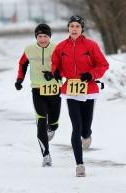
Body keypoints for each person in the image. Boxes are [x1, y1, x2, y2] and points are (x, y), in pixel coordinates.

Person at [51, 15, 109, 177]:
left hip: (88, 89)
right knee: (76, 127)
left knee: (85, 128)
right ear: (68, 29)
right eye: (71, 26)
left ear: (82, 28)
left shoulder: (91, 45)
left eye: (77, 26)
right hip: (70, 89)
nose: (74, 29)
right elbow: (55, 63)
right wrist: (55, 72)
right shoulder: (61, 47)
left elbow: (103, 64)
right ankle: (79, 165)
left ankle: (87, 134)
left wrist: (90, 75)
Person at [15, 24, 62, 167]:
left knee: (53, 123)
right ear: (36, 37)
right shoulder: (29, 50)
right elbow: (22, 64)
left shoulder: (57, 48)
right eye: (39, 36)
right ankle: (46, 155)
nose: (42, 39)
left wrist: (54, 74)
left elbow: (63, 66)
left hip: (55, 89)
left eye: (45, 36)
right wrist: (19, 80)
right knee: (41, 121)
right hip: (37, 89)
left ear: (50, 37)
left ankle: (52, 128)